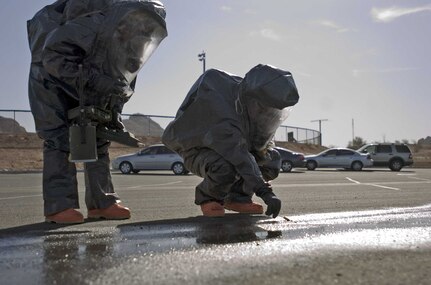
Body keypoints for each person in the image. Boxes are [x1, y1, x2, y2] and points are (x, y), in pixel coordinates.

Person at [27, 0, 168, 224]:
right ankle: (59, 206)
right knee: (58, 139)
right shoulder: (95, 25)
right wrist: (95, 81)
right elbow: (52, 56)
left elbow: (120, 85)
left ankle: (103, 203)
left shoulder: (131, 46)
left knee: (99, 138)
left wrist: (113, 117)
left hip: (87, 84)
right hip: (49, 80)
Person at [162, 64, 299, 218]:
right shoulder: (221, 110)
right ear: (254, 101)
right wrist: (265, 192)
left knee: (271, 160)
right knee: (224, 166)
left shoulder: (250, 105)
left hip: (229, 144)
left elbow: (260, 149)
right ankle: (208, 198)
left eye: (274, 111)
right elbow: (240, 157)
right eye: (266, 109)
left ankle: (237, 197)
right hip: (196, 146)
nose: (270, 114)